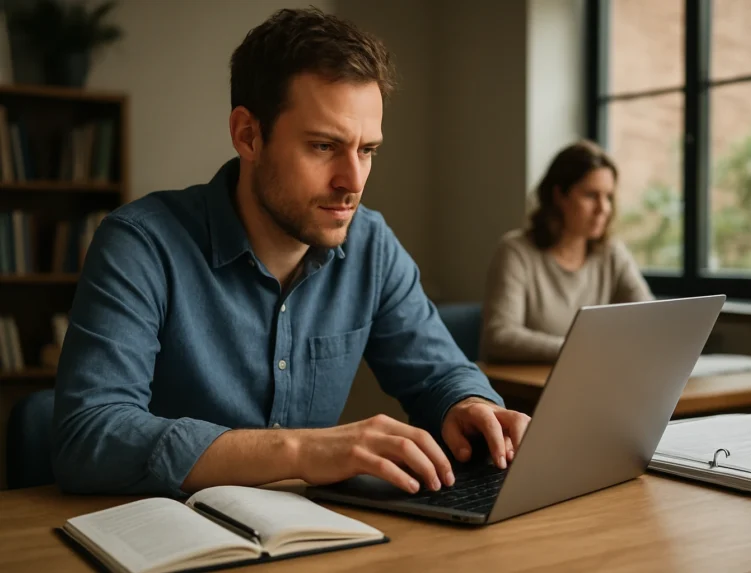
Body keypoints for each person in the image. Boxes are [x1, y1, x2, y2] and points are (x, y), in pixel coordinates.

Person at [52, 8, 530, 498]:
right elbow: (89, 435)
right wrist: (304, 451)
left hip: (310, 538)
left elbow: (439, 373)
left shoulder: (370, 244)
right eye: (324, 146)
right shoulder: (140, 244)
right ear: (248, 135)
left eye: (367, 150)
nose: (353, 181)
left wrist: (469, 405)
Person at [480, 140, 653, 363]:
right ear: (559, 195)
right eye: (591, 195)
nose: (604, 209)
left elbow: (649, 320)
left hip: (595, 380)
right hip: (524, 390)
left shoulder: (612, 253)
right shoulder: (516, 251)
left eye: (608, 197)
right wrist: (583, 350)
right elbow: (499, 337)